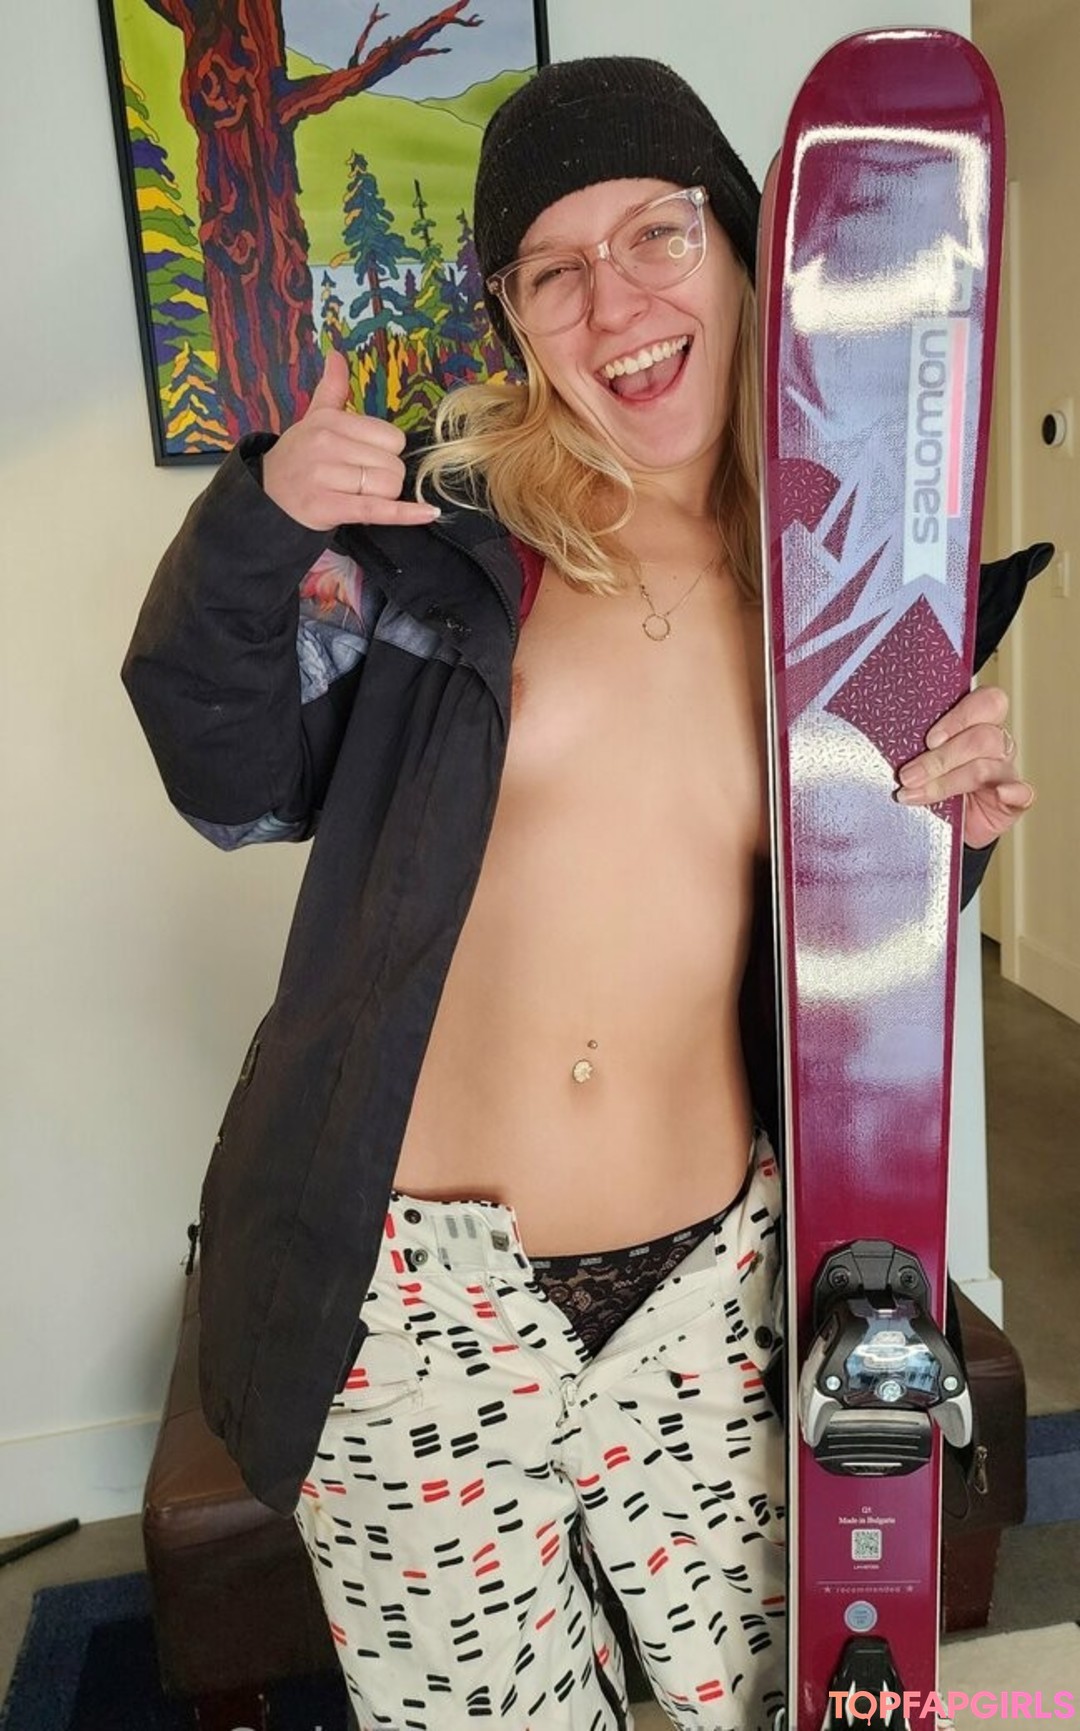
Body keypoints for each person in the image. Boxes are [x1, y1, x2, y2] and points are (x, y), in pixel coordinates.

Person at [123, 55, 1040, 1731]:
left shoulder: (861, 589)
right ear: (516, 323)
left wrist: (959, 817)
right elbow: (229, 778)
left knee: (781, 1700)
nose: (614, 300)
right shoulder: (442, 551)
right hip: (421, 1308)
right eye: (552, 270)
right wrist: (257, 524)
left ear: (741, 248)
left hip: (717, 1291)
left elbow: (877, 921)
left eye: (655, 233)